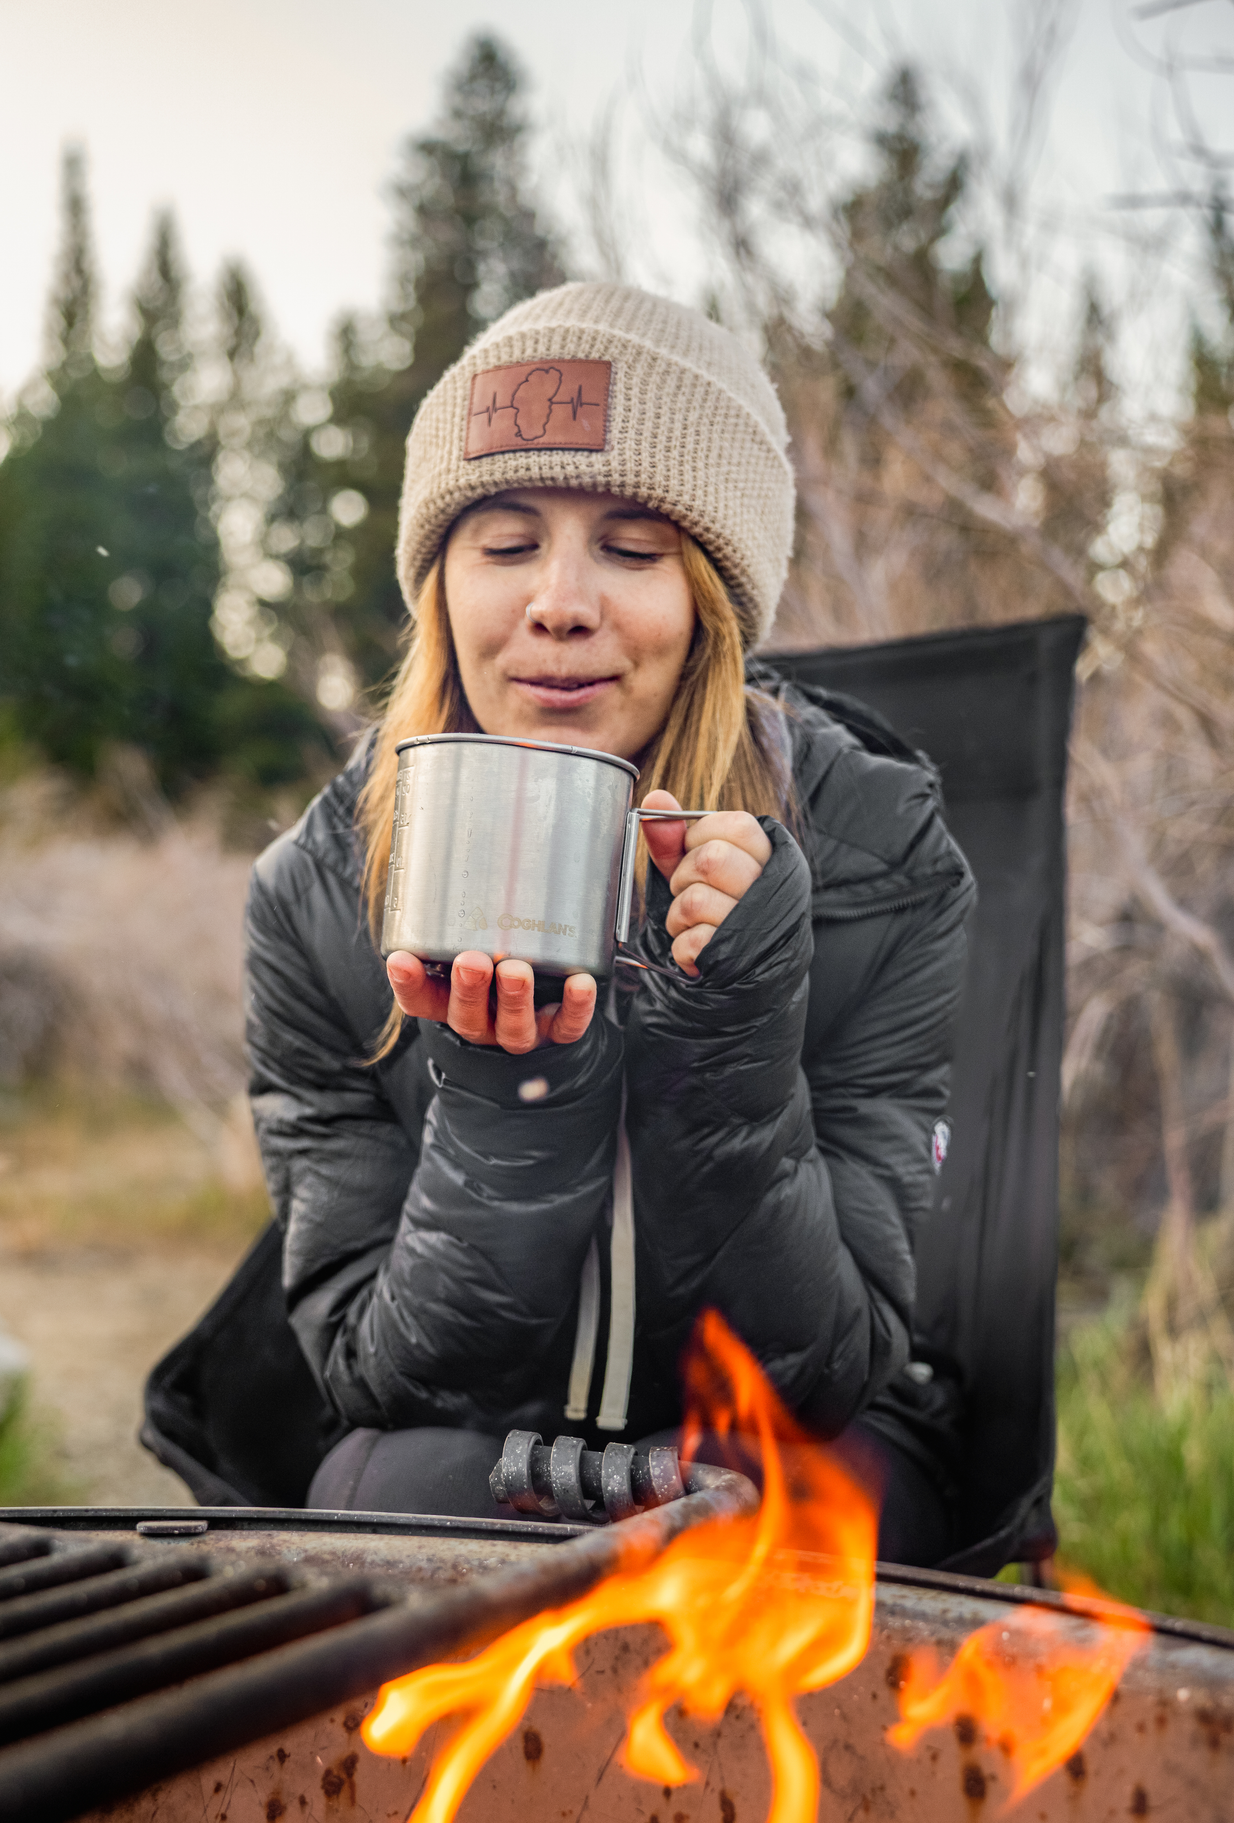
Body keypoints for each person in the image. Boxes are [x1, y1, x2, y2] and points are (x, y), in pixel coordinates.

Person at [244, 282, 975, 1562]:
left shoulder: (880, 865)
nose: (561, 603)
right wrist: (509, 1092)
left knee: (769, 1556)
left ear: (710, 604)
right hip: (473, 1432)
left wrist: (730, 1046)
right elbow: (376, 1370)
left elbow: (830, 1371)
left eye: (632, 549)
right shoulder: (317, 894)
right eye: (505, 540)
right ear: (439, 587)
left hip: (781, 1445)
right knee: (384, 1516)